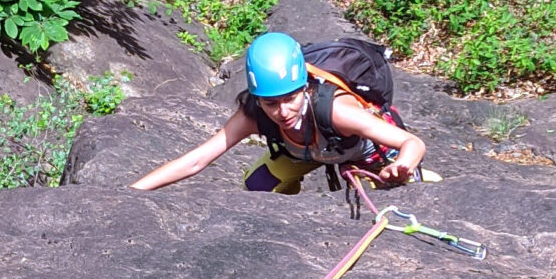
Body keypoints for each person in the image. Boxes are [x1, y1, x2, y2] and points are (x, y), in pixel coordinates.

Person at [130, 32, 427, 194]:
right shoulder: (253, 114)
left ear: (305, 87)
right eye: (270, 103)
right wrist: (131, 192)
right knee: (256, 184)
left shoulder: (337, 111)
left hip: (363, 154)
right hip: (304, 152)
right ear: (258, 98)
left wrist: (402, 166)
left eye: (291, 98)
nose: (283, 112)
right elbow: (196, 160)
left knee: (379, 197)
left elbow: (413, 143)